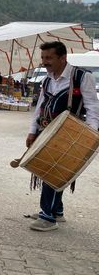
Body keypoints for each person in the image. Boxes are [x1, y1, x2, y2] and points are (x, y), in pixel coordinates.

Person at [25, 41, 99, 232]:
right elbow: (40, 107)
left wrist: (90, 135)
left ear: (62, 58)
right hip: (45, 131)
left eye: (49, 58)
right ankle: (56, 210)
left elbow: (92, 108)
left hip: (68, 133)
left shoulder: (82, 77)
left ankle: (47, 217)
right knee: (48, 169)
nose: (44, 62)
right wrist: (33, 131)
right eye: (43, 58)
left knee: (52, 170)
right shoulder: (47, 79)